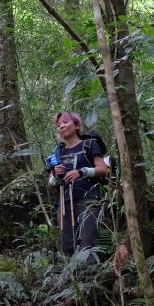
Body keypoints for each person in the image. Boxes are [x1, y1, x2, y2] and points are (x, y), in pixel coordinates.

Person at [47, 112, 109, 263]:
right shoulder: (58, 153)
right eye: (58, 125)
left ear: (76, 125)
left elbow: (103, 169)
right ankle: (72, 277)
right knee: (67, 242)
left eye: (65, 122)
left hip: (88, 197)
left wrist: (81, 172)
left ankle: (93, 276)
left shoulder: (89, 144)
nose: (61, 126)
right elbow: (50, 183)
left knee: (90, 239)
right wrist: (56, 174)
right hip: (64, 200)